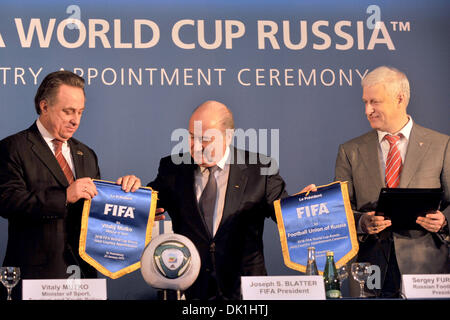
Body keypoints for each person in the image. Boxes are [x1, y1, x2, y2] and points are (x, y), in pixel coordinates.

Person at [148, 100, 315, 300]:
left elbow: (286, 216)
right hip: (193, 292)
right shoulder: (172, 169)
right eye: (191, 136)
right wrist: (129, 189)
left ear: (228, 137)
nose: (196, 146)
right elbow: (142, 207)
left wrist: (303, 206)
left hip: (247, 293)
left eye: (206, 139)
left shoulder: (260, 169)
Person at [0, 71, 142, 293]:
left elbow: (95, 214)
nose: (75, 120)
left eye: (80, 112)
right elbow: (9, 201)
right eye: (68, 111)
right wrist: (64, 196)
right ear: (44, 106)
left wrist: (134, 205)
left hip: (84, 278)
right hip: (36, 280)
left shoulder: (86, 153)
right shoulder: (14, 147)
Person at [334, 66, 449, 297]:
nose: (368, 110)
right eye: (365, 102)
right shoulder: (350, 150)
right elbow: (339, 209)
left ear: (400, 98)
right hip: (370, 267)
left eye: (375, 102)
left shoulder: (441, 145)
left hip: (426, 268)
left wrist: (444, 220)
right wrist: (362, 223)